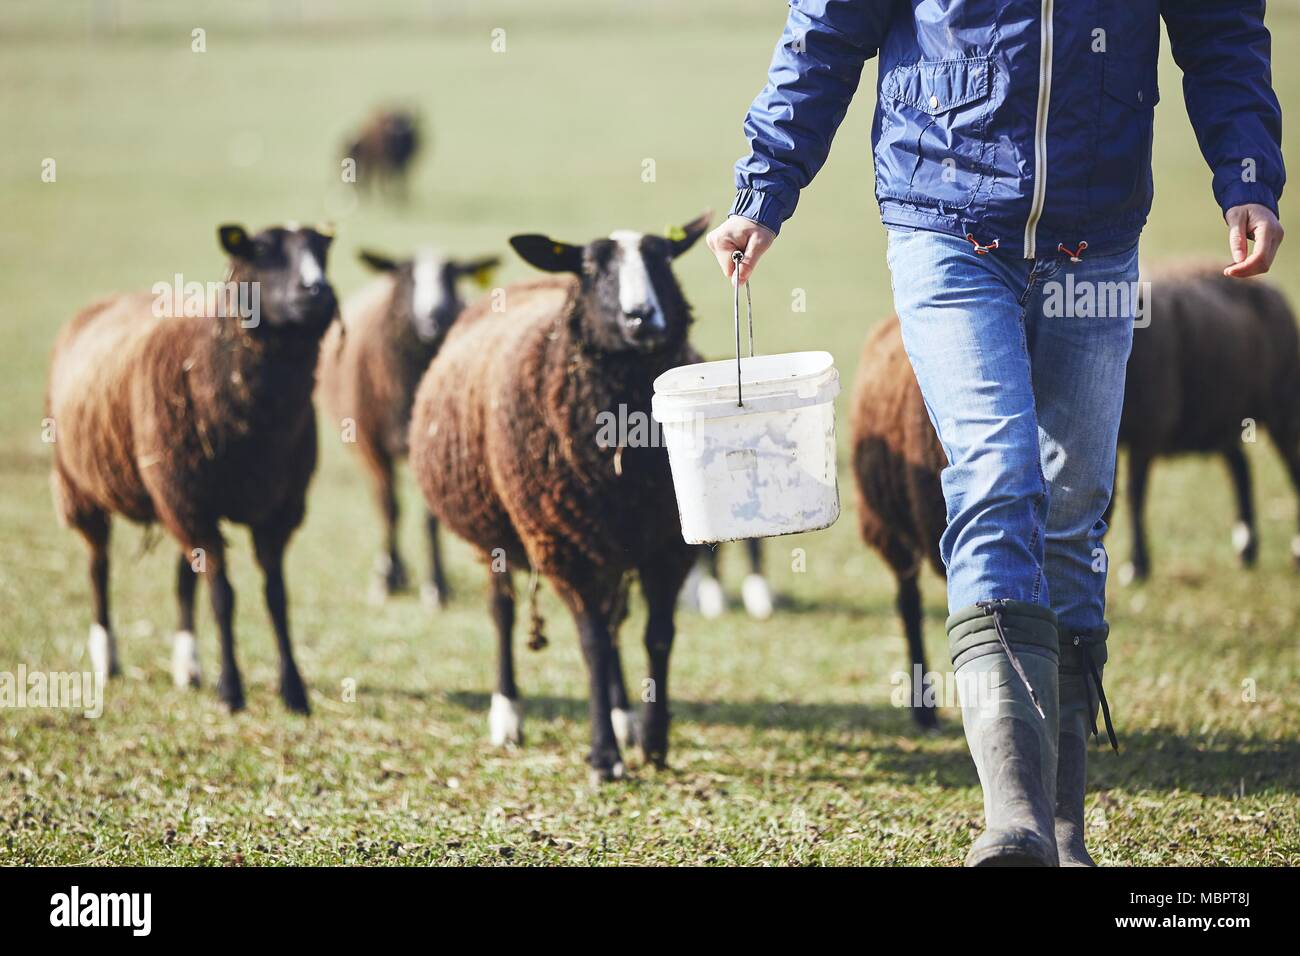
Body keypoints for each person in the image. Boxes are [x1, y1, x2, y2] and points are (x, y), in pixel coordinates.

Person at [707, 1, 1284, 866]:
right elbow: (826, 28)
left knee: (1077, 507)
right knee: (997, 475)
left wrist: (1245, 173)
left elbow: (1221, 26)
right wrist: (765, 187)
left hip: (1097, 238)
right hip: (946, 223)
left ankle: (1062, 830)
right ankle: (1011, 820)